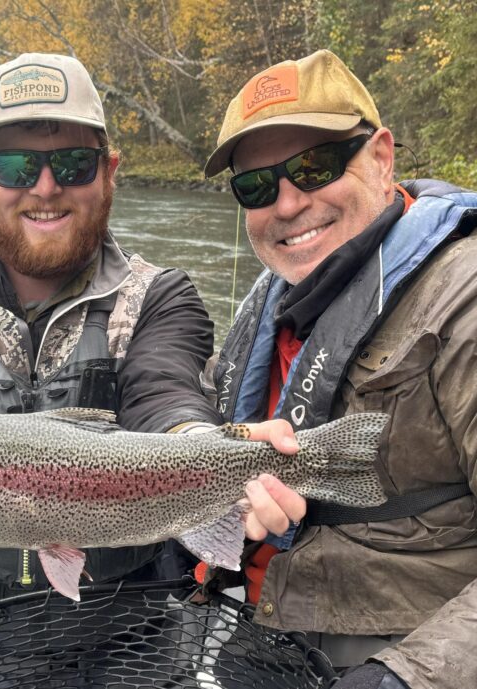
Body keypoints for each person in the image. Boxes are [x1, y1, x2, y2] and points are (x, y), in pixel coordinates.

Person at [0, 52, 295, 684]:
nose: (46, 186)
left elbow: (165, 398)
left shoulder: (162, 297)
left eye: (73, 163)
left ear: (108, 172)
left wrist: (210, 448)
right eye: (16, 164)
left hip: (140, 632)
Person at [203, 49, 477, 689]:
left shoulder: (463, 298)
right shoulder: (273, 303)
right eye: (257, 185)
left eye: (315, 165)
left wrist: (405, 679)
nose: (289, 203)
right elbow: (192, 413)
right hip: (266, 636)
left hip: (398, 655)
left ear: (381, 158)